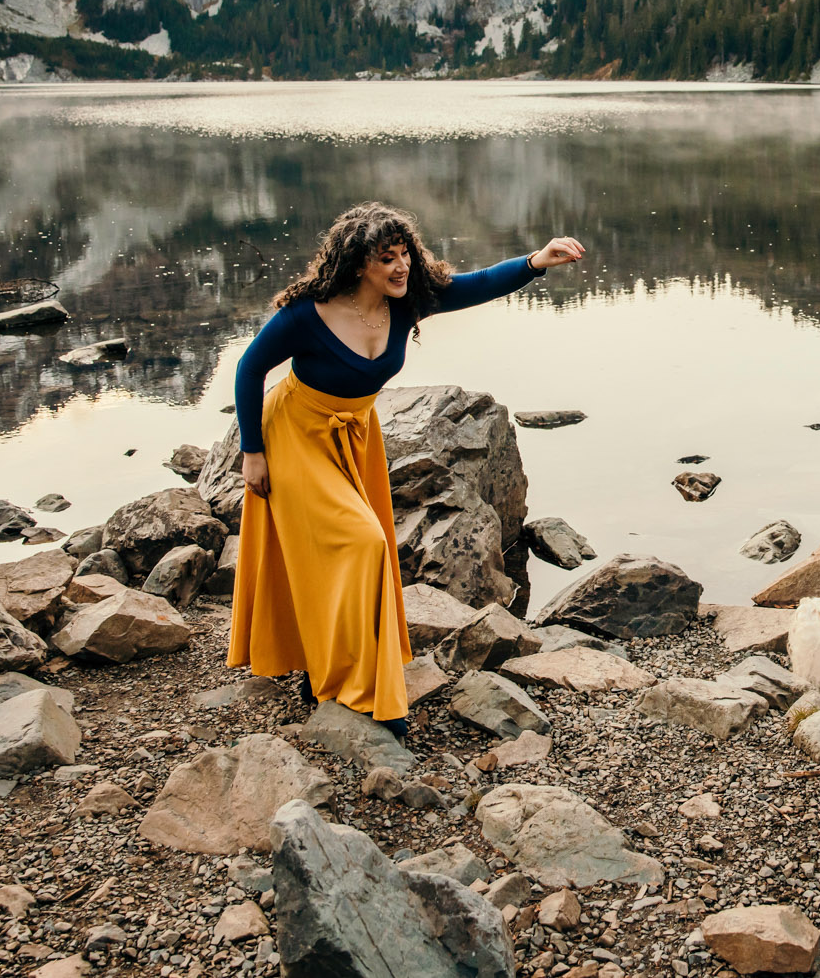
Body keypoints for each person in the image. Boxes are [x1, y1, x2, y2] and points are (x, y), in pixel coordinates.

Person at [226, 201, 586, 740]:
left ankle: (333, 665)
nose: (400, 268)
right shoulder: (310, 311)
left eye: (404, 255)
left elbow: (478, 284)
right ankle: (359, 684)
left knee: (343, 551)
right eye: (386, 259)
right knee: (362, 544)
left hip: (355, 433)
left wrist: (536, 261)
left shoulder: (410, 299)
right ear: (356, 265)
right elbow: (250, 367)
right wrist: (253, 452)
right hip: (296, 434)